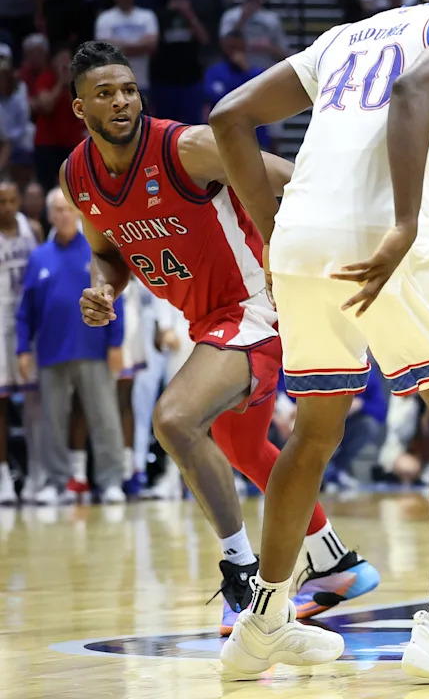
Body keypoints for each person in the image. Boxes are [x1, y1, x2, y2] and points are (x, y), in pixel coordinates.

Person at [208, 0, 429, 682]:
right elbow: (415, 92)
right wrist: (407, 222)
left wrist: (271, 227)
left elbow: (228, 117)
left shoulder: (345, 34)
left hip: (299, 245)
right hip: (381, 241)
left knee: (314, 433)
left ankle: (264, 624)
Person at [62, 41, 379, 634]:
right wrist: (103, 289)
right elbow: (107, 253)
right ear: (81, 110)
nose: (122, 100)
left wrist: (354, 226)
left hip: (258, 305)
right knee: (240, 448)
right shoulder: (77, 175)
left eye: (128, 88)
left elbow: (287, 177)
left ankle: (244, 575)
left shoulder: (185, 148)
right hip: (206, 322)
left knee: (175, 418)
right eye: (105, 93)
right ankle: (335, 564)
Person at [17, 187, 125, 504]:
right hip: (51, 352)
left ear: (78, 213)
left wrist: (116, 342)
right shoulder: (39, 258)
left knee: (105, 416)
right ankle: (55, 482)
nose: (64, 215)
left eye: (68, 209)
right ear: (50, 215)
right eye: (58, 210)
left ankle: (111, 481)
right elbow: (27, 310)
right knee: (52, 420)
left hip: (93, 349)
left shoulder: (95, 250)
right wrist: (23, 349)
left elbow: (114, 297)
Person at [0, 181, 41, 505]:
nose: (8, 206)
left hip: (29, 325)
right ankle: (3, 479)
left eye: (12, 200)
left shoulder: (34, 229)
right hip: (1, 325)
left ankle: (37, 476)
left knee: (35, 406)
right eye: (2, 201)